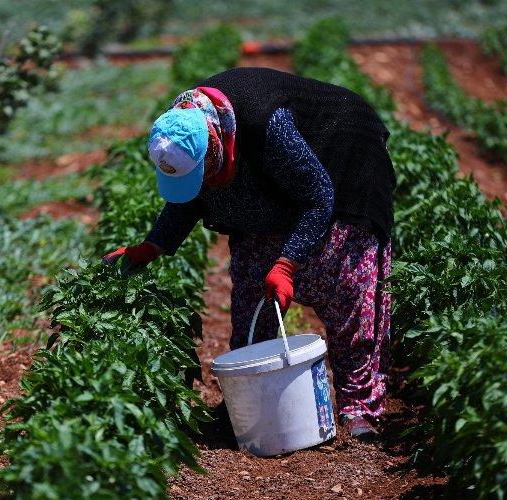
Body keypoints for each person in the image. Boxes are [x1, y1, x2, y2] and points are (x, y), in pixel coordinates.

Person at [103, 67, 395, 439]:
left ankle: (359, 408)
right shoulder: (184, 130)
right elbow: (188, 196)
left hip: (342, 162)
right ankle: (252, 401)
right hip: (280, 188)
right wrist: (153, 244)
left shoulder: (264, 124)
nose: (203, 182)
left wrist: (287, 263)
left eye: (203, 173)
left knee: (346, 291)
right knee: (252, 297)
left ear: (216, 144)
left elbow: (318, 197)